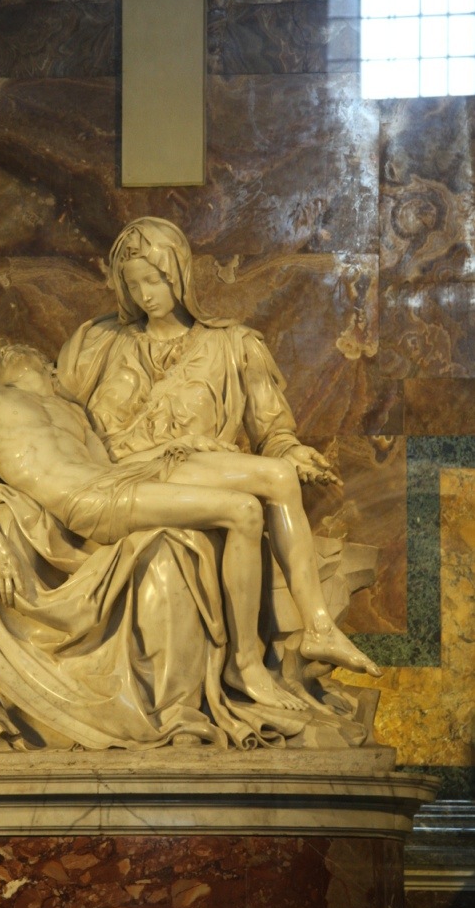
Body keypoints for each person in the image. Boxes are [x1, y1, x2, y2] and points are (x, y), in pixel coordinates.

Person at [57, 217, 380, 695]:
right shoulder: (98, 344)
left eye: (155, 280)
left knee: (278, 474)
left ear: (179, 275)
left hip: (188, 469)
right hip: (118, 476)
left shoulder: (234, 346)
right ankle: (285, 644)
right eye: (134, 284)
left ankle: (316, 628)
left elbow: (273, 432)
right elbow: (51, 412)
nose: (146, 295)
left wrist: (294, 452)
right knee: (268, 482)